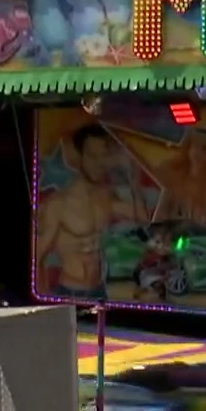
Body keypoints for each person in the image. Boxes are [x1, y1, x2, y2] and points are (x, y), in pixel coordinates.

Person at [35, 126, 128, 297]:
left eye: (103, 156)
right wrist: (43, 301)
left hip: (98, 291)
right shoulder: (59, 204)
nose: (99, 163)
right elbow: (37, 256)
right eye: (93, 156)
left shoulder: (105, 197)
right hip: (70, 291)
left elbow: (144, 217)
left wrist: (134, 182)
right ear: (79, 157)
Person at [153, 128, 206, 232]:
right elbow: (161, 213)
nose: (198, 153)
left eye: (205, 149)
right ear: (188, 148)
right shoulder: (174, 174)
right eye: (195, 147)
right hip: (171, 233)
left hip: (200, 237)